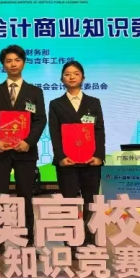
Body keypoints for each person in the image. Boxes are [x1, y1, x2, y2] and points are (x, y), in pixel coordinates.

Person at [0, 45, 47, 250]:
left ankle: (27, 240)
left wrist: (28, 142)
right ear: (3, 65)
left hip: (25, 152)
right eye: (9, 61)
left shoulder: (34, 92)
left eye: (17, 60)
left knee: (25, 196)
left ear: (24, 63)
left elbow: (40, 120)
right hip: (0, 151)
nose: (13, 64)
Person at [48, 60, 106, 253]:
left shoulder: (93, 102)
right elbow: (54, 132)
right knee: (69, 202)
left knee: (91, 202)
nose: (71, 77)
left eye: (76, 73)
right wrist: (60, 157)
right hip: (67, 163)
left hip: (91, 162)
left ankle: (90, 240)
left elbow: (99, 130)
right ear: (61, 79)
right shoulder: (56, 104)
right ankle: (71, 242)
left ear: (83, 77)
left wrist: (99, 156)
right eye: (67, 74)